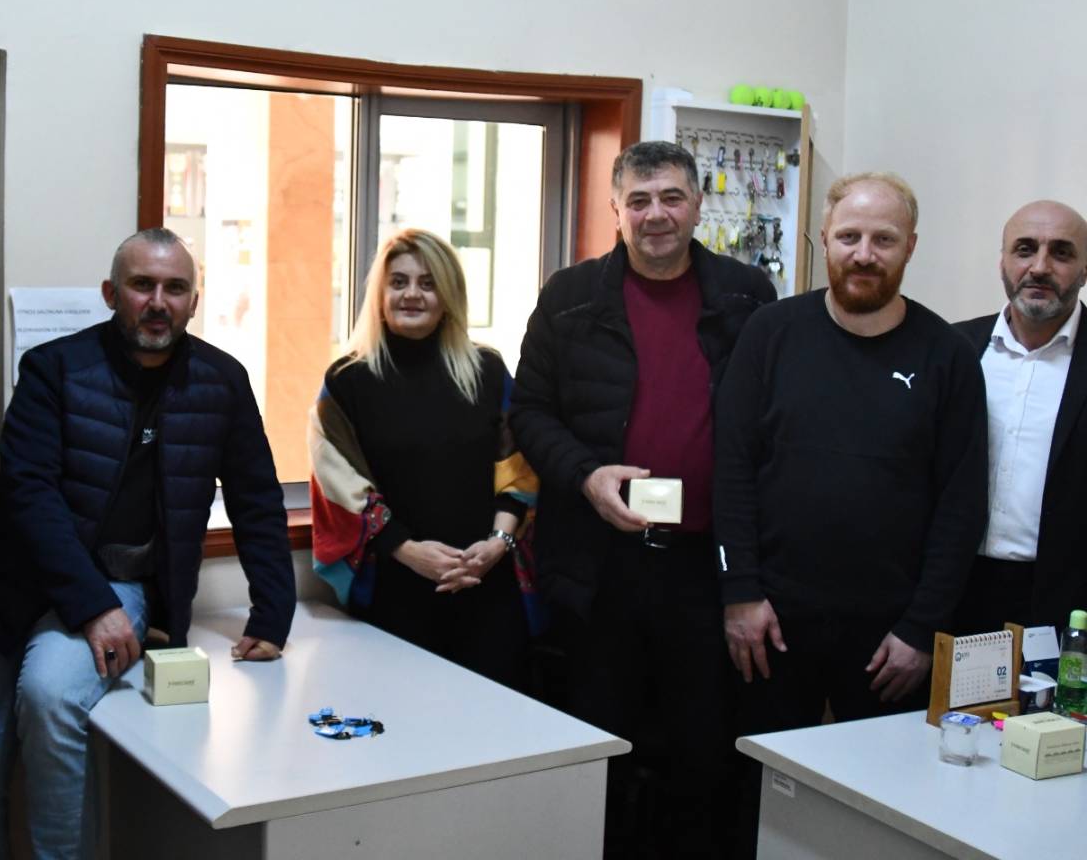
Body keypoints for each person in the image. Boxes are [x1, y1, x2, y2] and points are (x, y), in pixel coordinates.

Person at [0, 227, 296, 859]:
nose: (158, 302)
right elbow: (28, 493)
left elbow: (257, 499)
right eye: (141, 285)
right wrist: (91, 605)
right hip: (6, 592)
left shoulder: (222, 380)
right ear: (111, 293)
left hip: (122, 583)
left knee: (51, 696)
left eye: (175, 288)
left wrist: (272, 613)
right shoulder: (53, 368)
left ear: (193, 301)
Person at [510, 140, 776, 857]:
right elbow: (529, 412)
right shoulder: (569, 296)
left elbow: (768, 424)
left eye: (671, 198)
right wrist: (586, 476)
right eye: (639, 200)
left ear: (697, 206)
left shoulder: (748, 296)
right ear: (616, 210)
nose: (655, 214)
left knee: (703, 751)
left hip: (705, 567)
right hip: (599, 566)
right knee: (599, 745)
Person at [715, 172, 987, 852]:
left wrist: (922, 628)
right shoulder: (770, 333)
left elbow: (961, 505)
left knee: (884, 808)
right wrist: (740, 591)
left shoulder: (949, 356)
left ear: (910, 247)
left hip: (890, 639)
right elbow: (733, 470)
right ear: (825, 240)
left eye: (883, 240)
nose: (864, 254)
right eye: (849, 237)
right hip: (772, 623)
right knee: (759, 792)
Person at [309, 228, 537, 689]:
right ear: (380, 295)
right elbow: (337, 481)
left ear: (448, 296)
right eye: (399, 282)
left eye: (428, 283)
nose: (412, 294)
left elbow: (519, 471)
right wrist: (409, 551)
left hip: (487, 588)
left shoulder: (488, 371)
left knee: (497, 721)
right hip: (396, 592)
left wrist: (497, 543)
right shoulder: (346, 381)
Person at [954, 200, 1087, 635]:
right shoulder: (954, 349)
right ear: (1003, 262)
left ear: (1084, 269)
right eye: (1025, 249)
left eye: (1061, 253)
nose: (1040, 267)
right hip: (956, 594)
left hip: (1067, 602)